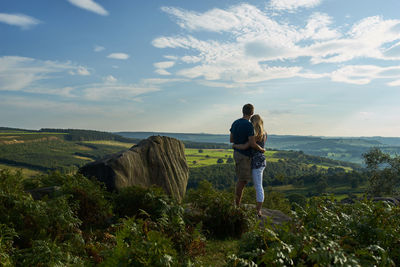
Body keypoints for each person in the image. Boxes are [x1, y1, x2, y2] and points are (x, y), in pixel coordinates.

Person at [230, 104, 265, 209]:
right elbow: (252, 144)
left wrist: (236, 145)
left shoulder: (235, 122)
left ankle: (237, 204)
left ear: (242, 111)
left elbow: (231, 139)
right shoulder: (249, 126)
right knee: (243, 180)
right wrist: (262, 149)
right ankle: (237, 205)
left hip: (236, 153)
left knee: (242, 179)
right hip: (244, 155)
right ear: (252, 113)